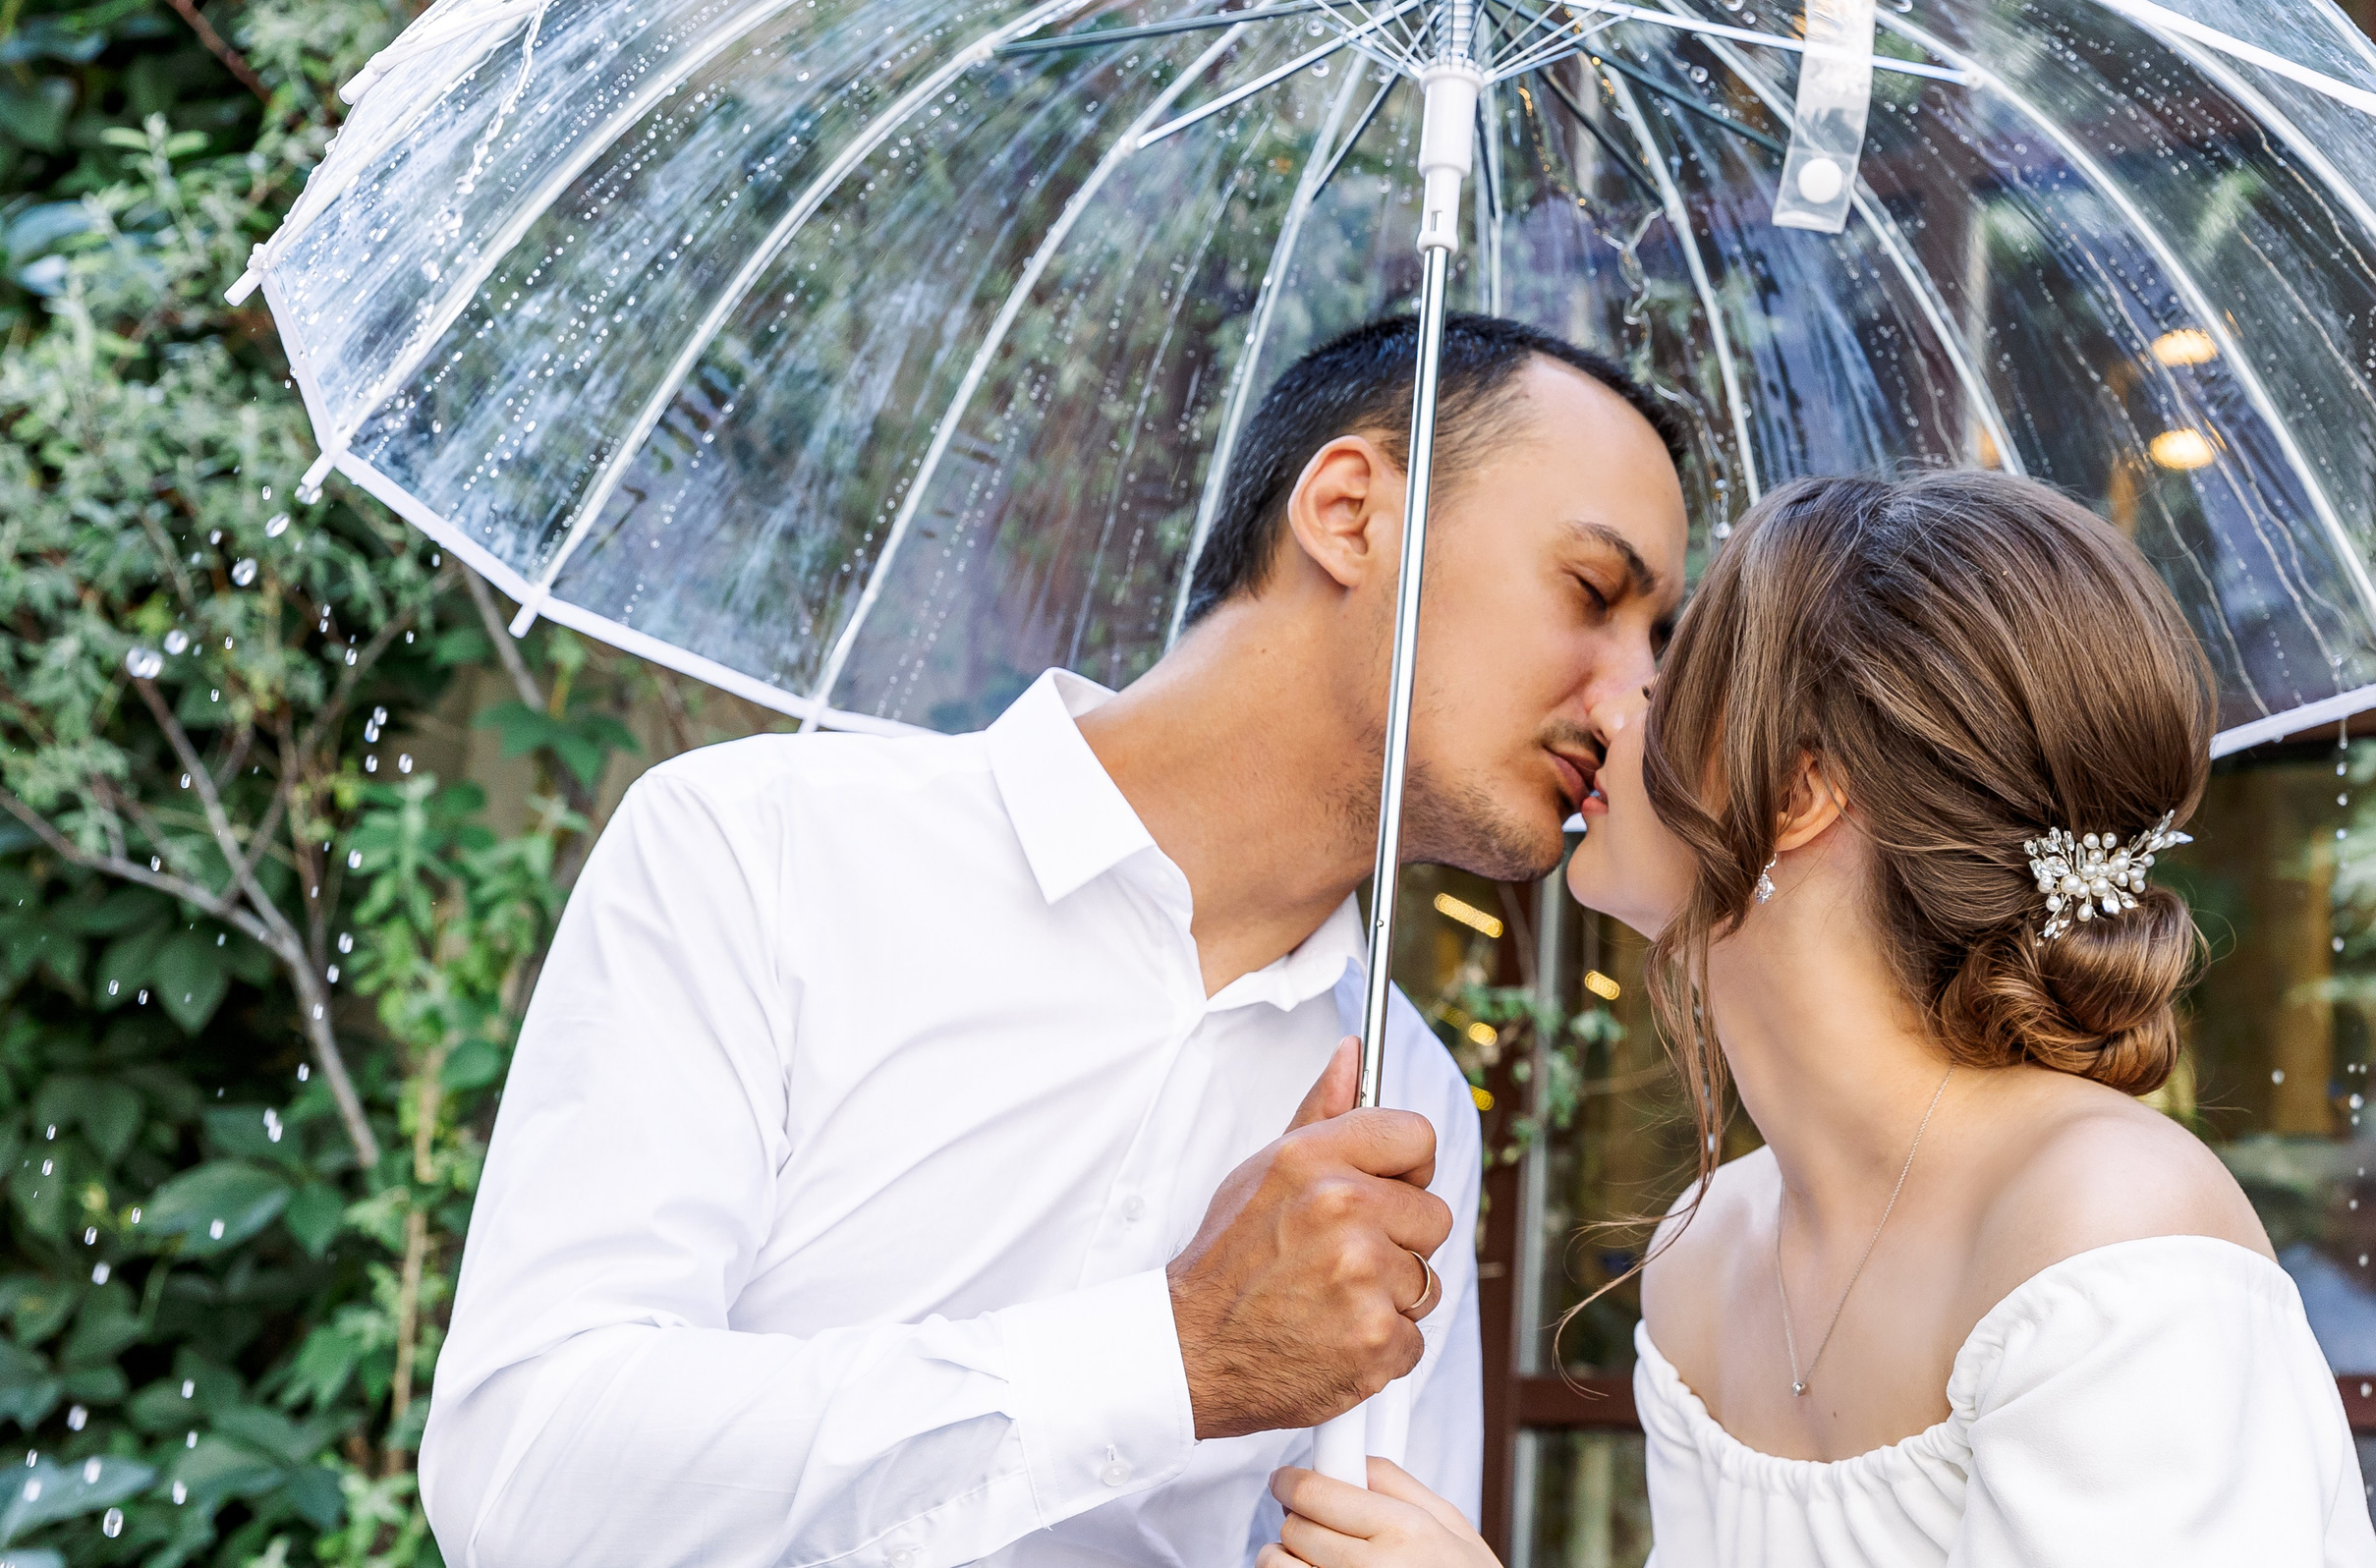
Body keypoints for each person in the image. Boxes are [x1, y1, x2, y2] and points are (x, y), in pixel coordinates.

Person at [416, 313, 1690, 1568]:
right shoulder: (760, 854)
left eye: (1658, 641)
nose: (1637, 696)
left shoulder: (1406, 1098)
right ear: (1350, 510)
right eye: (1592, 591)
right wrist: (1175, 1354)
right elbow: (525, 1475)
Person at [1265, 472, 2376, 1566]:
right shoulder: (1708, 1258)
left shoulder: (2106, 1228)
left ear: (1798, 792)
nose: (1611, 706)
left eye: (1674, 676)